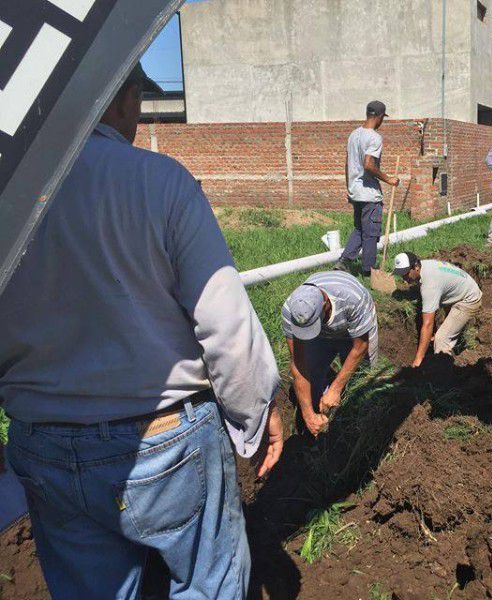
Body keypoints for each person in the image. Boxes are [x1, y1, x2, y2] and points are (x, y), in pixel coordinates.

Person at [0, 63, 282, 599]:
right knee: (208, 583)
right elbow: (226, 328)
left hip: (43, 444)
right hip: (163, 442)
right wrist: (257, 412)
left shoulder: (10, 193)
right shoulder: (158, 180)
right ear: (120, 99)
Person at [282, 271, 378, 437]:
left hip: (352, 331)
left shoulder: (353, 300)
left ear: (325, 303)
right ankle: (315, 425)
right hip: (321, 336)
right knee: (312, 372)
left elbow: (360, 347)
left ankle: (355, 427)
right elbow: (299, 364)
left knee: (361, 380)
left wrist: (336, 388)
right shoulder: (291, 310)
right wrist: (308, 415)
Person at [335, 100, 400, 275]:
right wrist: (389, 179)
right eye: (382, 118)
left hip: (356, 192)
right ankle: (369, 271)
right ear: (379, 117)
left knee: (359, 229)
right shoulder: (374, 137)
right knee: (371, 233)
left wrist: (349, 187)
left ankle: (344, 261)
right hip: (369, 194)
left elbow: (347, 164)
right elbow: (368, 164)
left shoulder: (353, 135)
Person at [393, 252, 482, 367]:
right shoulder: (425, 266)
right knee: (442, 333)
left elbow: (428, 324)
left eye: (405, 274)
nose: (404, 279)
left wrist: (418, 360)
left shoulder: (430, 286)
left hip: (469, 299)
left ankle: (443, 377)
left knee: (441, 340)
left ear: (416, 267)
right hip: (461, 289)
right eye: (401, 274)